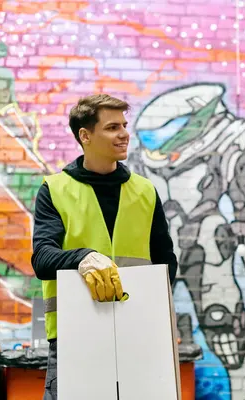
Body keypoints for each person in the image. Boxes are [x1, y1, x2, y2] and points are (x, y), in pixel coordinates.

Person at [31, 94, 178, 399]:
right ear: (85, 135)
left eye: (124, 125)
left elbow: (166, 262)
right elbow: (42, 259)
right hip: (75, 334)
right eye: (112, 127)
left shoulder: (145, 191)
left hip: (138, 334)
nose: (124, 133)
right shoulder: (55, 190)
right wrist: (83, 257)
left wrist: (154, 315)